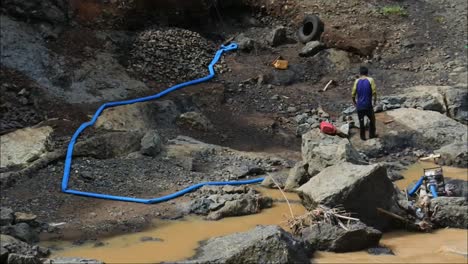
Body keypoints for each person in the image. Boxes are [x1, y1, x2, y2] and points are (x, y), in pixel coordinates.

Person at [352, 66, 377, 140]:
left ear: (360, 73)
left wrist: (355, 103)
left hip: (359, 106)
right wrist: (374, 102)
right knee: (372, 120)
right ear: (367, 73)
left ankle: (363, 137)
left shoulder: (356, 81)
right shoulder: (370, 80)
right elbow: (374, 92)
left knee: (361, 122)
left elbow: (353, 94)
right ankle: (371, 135)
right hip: (368, 105)